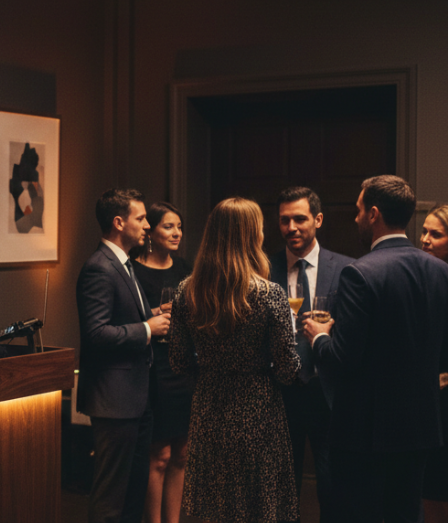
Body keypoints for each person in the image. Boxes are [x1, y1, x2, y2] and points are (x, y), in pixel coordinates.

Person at [304, 176, 448, 523]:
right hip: (420, 426)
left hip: (365, 432)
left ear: (373, 214)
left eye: (358, 210)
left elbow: (342, 359)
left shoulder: (360, 273)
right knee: (406, 514)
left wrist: (320, 337)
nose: (355, 218)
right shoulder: (441, 271)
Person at [169, 197, 300, 523]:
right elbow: (288, 370)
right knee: (258, 508)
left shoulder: (187, 291)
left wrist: (211, 372)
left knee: (215, 508)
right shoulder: (270, 294)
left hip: (209, 408)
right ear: (251, 235)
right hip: (258, 410)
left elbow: (178, 361)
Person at [76, 188, 171, 523]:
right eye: (141, 218)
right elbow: (96, 333)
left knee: (133, 493)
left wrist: (152, 314)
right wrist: (147, 328)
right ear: (119, 222)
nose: (147, 226)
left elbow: (120, 317)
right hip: (114, 402)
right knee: (111, 498)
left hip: (136, 399)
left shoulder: (123, 264)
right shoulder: (99, 268)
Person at [267, 187, 354, 523]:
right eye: (284, 220)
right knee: (282, 487)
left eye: (300, 219)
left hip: (327, 390)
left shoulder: (346, 269)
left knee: (332, 485)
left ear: (317, 219)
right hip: (280, 391)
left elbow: (355, 332)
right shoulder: (264, 269)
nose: (291, 227)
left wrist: (331, 330)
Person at [129, 202, 193, 523]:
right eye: (168, 226)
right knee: (160, 456)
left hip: (184, 368)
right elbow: (126, 318)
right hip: (154, 369)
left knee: (181, 454)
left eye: (179, 227)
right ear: (151, 232)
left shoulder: (185, 268)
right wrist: (153, 315)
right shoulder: (133, 271)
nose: (176, 233)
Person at [420, 204, 448, 522]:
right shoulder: (426, 278)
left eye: (435, 234)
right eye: (424, 231)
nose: (425, 239)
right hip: (430, 402)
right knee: (431, 488)